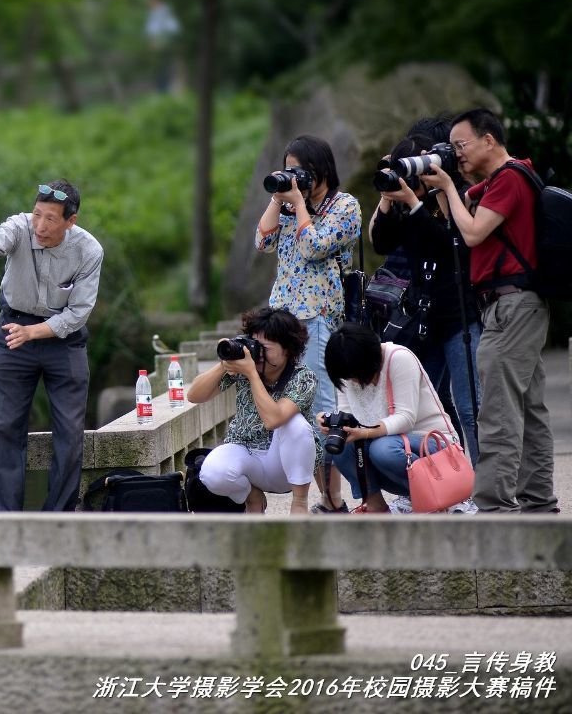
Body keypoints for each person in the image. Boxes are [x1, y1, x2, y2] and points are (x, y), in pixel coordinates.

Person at [420, 108, 557, 514]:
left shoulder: (510, 178)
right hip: (518, 307)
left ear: (489, 141)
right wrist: (441, 183)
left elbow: (474, 233)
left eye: (461, 145)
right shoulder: (498, 182)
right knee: (529, 408)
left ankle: (494, 505)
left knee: (495, 409)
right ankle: (538, 501)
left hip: (511, 308)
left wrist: (447, 183)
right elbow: (456, 218)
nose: (457, 154)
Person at [0, 180, 103, 511]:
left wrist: (35, 332)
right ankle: (4, 525)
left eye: (50, 219)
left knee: (71, 436)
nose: (40, 226)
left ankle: (57, 520)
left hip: (64, 340)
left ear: (70, 221)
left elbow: (78, 313)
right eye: (37, 214)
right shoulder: (19, 227)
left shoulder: (89, 250)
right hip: (12, 333)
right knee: (4, 430)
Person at [255, 134, 362, 512]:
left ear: (321, 170)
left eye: (300, 171)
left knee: (321, 408)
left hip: (318, 317)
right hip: (281, 320)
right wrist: (277, 196)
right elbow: (262, 242)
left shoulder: (344, 206)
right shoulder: (286, 207)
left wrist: (299, 204)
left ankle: (334, 497)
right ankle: (323, 496)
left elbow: (313, 246)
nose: (294, 178)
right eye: (289, 170)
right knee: (295, 409)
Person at [369, 130, 482, 464]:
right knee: (421, 408)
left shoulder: (454, 195)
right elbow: (381, 243)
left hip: (459, 316)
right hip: (423, 320)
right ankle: (432, 478)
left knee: (468, 406)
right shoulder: (406, 205)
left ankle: (481, 485)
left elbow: (449, 246)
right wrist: (388, 196)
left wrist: (418, 202)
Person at [186, 307, 321, 515]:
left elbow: (273, 419)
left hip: (284, 466)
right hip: (245, 451)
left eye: (264, 347)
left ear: (288, 349)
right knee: (212, 474)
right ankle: (252, 496)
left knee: (297, 425)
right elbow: (194, 395)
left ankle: (300, 502)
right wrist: (225, 363)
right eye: (254, 344)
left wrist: (251, 374)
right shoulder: (244, 368)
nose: (257, 353)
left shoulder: (303, 377)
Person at [320, 323, 462, 513]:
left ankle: (434, 501)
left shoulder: (398, 358)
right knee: (342, 444)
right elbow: (350, 415)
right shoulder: (348, 369)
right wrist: (335, 424)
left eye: (354, 375)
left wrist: (366, 433)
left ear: (368, 360)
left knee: (383, 449)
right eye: (347, 377)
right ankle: (375, 504)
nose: (352, 381)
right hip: (396, 452)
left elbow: (406, 418)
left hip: (435, 446)